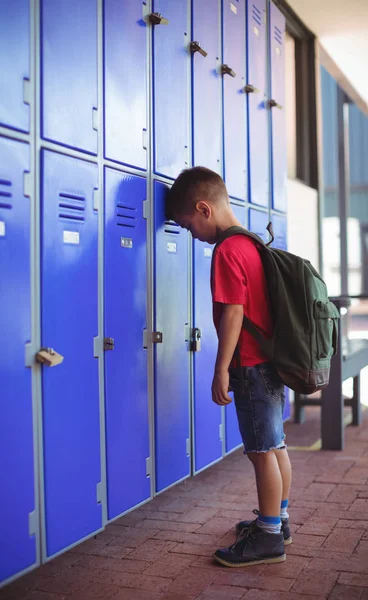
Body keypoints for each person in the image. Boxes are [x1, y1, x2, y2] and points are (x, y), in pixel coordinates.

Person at [165, 166, 292, 568]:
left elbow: (234, 313)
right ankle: (279, 520)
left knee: (259, 452)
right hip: (271, 362)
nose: (191, 234)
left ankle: (269, 537)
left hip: (250, 366)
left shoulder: (226, 250)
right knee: (276, 445)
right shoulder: (252, 243)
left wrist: (222, 369)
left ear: (203, 208)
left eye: (188, 225)